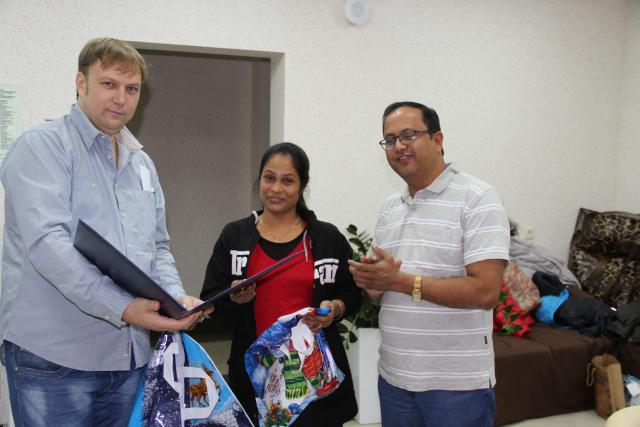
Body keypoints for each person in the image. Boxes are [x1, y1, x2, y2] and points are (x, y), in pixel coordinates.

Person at [0, 38, 210, 426]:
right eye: (109, 84)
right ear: (81, 83)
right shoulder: (41, 147)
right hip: (54, 360)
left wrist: (173, 297)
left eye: (132, 89)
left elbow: (157, 246)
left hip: (128, 359)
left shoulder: (141, 164)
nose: (121, 98)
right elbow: (48, 245)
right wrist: (122, 306)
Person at [348, 101, 510, 427]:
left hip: (456, 386)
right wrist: (373, 285)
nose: (398, 146)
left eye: (409, 135)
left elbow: (485, 292)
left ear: (437, 140)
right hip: (394, 377)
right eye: (390, 140)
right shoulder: (390, 207)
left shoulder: (477, 197)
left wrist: (401, 281)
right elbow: (383, 295)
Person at [200, 142, 360, 426]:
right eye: (269, 178)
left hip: (313, 378)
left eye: (287, 181)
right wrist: (235, 300)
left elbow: (352, 292)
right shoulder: (235, 236)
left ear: (302, 186)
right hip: (256, 377)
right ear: (259, 179)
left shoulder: (326, 237)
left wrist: (335, 308)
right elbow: (212, 301)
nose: (276, 188)